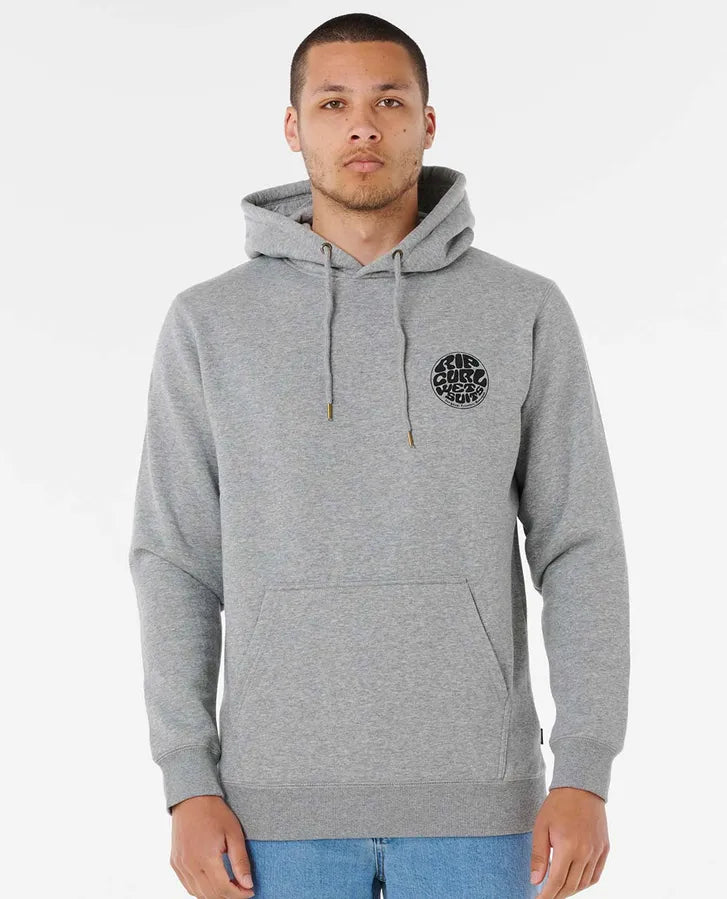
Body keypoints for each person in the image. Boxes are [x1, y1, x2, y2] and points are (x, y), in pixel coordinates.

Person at [128, 12, 630, 899]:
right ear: (294, 128)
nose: (362, 125)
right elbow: (175, 560)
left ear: (426, 124)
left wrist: (584, 768)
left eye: (388, 101)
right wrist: (187, 779)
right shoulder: (210, 323)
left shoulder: (521, 309)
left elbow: (578, 544)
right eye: (333, 103)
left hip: (484, 810)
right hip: (269, 814)